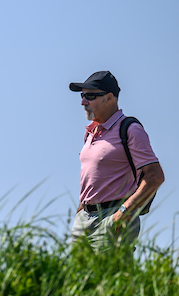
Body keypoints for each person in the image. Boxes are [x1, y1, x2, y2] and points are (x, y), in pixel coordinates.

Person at [68, 70, 164, 251]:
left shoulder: (131, 129)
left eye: (90, 96)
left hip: (113, 216)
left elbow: (155, 177)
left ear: (110, 98)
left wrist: (123, 213)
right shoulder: (90, 132)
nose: (83, 102)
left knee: (111, 278)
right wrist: (81, 211)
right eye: (82, 96)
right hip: (84, 221)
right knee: (77, 279)